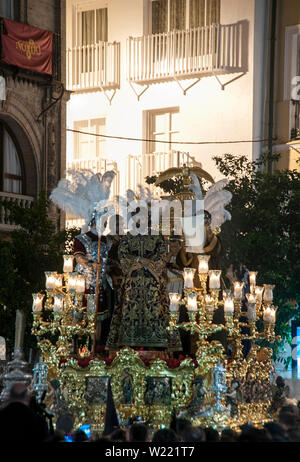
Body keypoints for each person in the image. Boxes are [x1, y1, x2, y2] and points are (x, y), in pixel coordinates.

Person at [106, 207, 182, 354]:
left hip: (152, 282)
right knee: (129, 308)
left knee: (155, 309)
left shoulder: (157, 237)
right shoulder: (128, 237)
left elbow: (161, 257)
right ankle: (129, 342)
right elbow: (122, 256)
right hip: (132, 282)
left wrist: (145, 263)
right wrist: (139, 260)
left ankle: (157, 343)